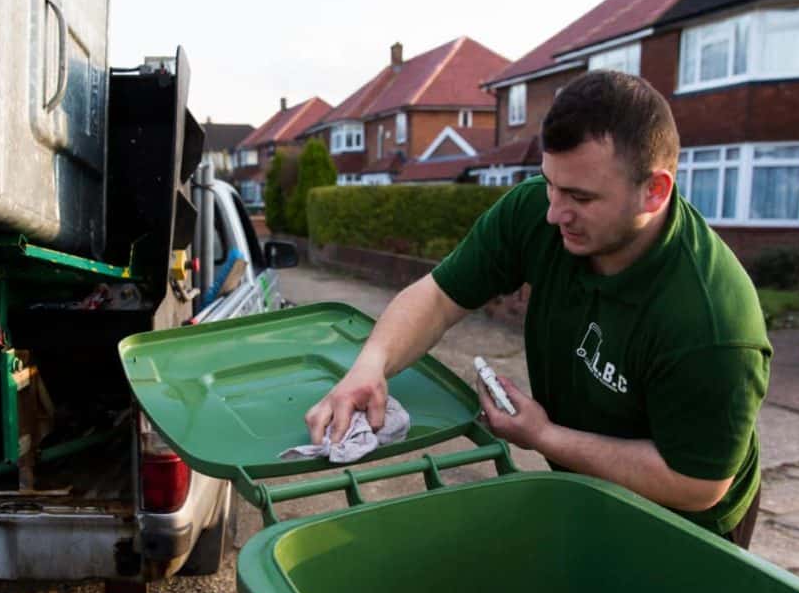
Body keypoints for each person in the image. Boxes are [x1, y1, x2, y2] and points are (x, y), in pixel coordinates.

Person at [305, 70, 771, 548]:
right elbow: (439, 296)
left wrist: (545, 437)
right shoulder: (537, 213)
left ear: (654, 190)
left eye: (581, 197)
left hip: (685, 531)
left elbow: (695, 484)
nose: (554, 212)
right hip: (585, 491)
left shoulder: (711, 321)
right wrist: (371, 364)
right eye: (551, 183)